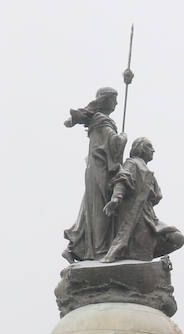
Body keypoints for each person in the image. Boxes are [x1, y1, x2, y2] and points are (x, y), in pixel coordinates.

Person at [62, 87, 126, 262]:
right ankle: (98, 250)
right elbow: (113, 143)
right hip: (101, 170)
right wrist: (123, 138)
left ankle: (76, 247)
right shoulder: (102, 120)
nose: (117, 103)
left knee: (93, 205)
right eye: (114, 100)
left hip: (96, 168)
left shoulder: (99, 120)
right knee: (100, 207)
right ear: (106, 100)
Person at [101, 137, 184, 262]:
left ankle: (139, 257)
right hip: (135, 214)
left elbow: (156, 196)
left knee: (176, 238)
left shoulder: (145, 168)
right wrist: (116, 198)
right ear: (141, 148)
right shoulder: (132, 163)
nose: (153, 150)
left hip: (148, 214)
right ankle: (129, 260)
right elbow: (123, 178)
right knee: (141, 251)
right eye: (150, 147)